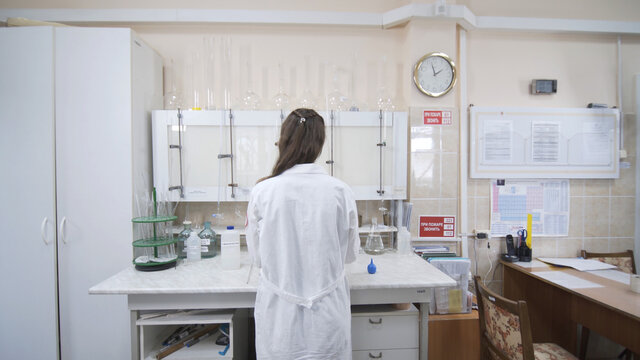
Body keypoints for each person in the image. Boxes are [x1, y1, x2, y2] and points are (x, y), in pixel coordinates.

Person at [246, 108, 360, 360]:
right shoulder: (341, 192)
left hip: (280, 321)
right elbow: (350, 255)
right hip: (327, 318)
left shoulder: (263, 192)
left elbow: (258, 259)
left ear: (284, 141)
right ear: (319, 145)